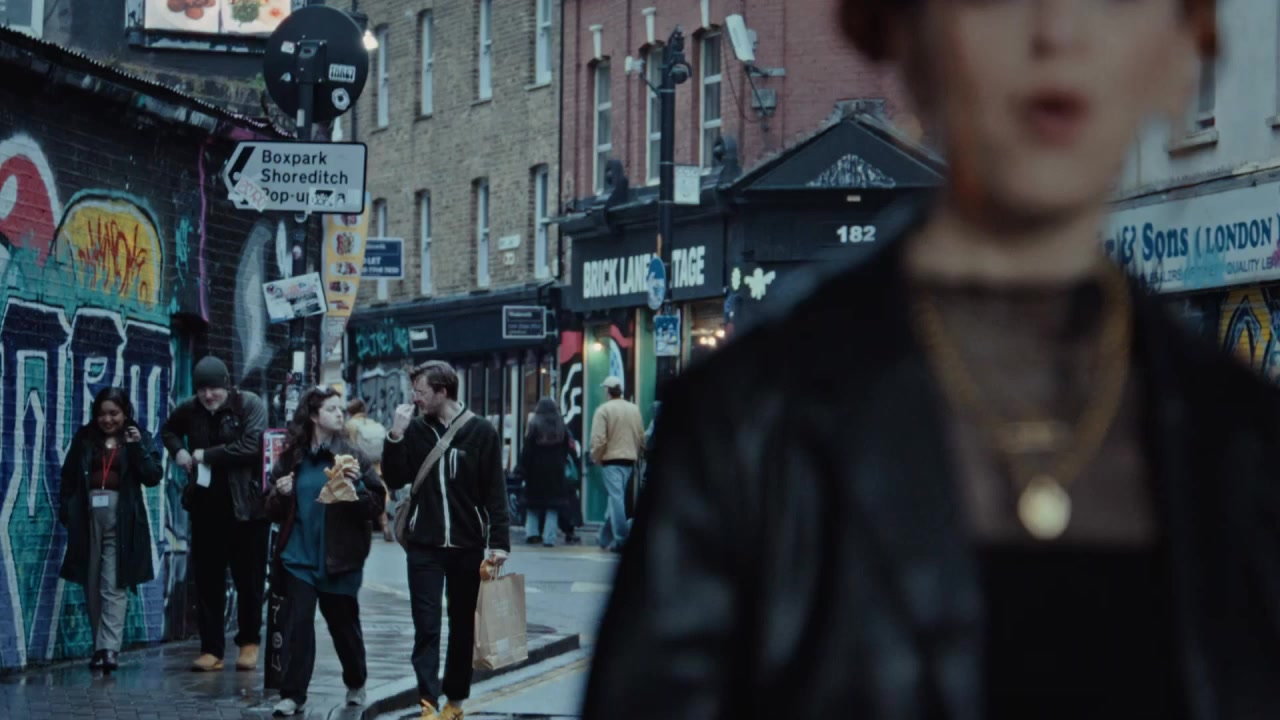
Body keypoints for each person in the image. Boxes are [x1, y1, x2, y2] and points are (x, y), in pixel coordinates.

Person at [584, 1, 1280, 718]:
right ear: (903, 35)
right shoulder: (748, 425)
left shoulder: (1247, 444)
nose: (1056, 32)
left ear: (1182, 46)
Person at [382, 361, 511, 720]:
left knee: (462, 626)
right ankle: (427, 702)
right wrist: (395, 436)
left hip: (467, 546)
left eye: (421, 391)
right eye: (414, 391)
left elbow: (495, 492)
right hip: (424, 546)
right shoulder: (414, 430)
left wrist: (499, 542)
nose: (415, 398)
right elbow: (395, 478)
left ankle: (455, 700)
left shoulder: (481, 432)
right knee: (426, 627)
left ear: (442, 391)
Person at [265, 388, 385, 717]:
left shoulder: (353, 455)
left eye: (340, 409)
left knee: (343, 628)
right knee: (299, 626)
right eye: (331, 409)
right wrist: (279, 493)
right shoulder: (293, 457)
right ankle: (293, 695)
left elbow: (376, 504)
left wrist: (356, 487)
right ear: (314, 416)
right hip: (298, 557)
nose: (339, 414)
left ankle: (356, 680)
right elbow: (269, 507)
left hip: (340, 558)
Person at [160, 355, 269, 672]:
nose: (208, 396)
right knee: (208, 582)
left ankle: (249, 643)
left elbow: (251, 446)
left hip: (247, 511)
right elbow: (168, 430)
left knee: (249, 581)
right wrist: (179, 451)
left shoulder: (248, 405)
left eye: (214, 389)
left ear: (227, 385)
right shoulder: (190, 409)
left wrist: (205, 455)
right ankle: (211, 650)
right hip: (206, 510)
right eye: (202, 390)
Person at [58, 388, 164, 672]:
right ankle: (99, 647)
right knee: (92, 583)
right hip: (87, 518)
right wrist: (67, 511)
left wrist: (137, 446)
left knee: (113, 584)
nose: (107, 419)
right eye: (102, 414)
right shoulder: (85, 438)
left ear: (125, 413)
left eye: (114, 413)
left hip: (121, 519)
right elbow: (68, 476)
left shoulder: (137, 436)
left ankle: (109, 649)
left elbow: (153, 475)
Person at [587, 376, 644, 553]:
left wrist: (595, 457)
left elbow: (599, 439)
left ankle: (621, 539)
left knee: (616, 499)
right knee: (615, 497)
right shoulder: (634, 409)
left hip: (611, 459)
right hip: (629, 460)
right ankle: (604, 538)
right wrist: (638, 453)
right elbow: (640, 436)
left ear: (607, 391)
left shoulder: (603, 410)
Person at [519, 398, 571, 548]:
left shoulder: (534, 424)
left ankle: (532, 534)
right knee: (553, 506)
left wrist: (523, 468)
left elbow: (527, 449)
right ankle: (549, 538)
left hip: (535, 470)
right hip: (555, 470)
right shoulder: (561, 425)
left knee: (533, 505)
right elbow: (566, 449)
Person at [345, 398, 392, 542]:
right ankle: (385, 527)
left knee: (360, 497)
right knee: (377, 498)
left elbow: (348, 446)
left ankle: (361, 530)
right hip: (376, 467)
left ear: (350, 411)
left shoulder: (350, 425)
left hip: (358, 467)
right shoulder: (373, 423)